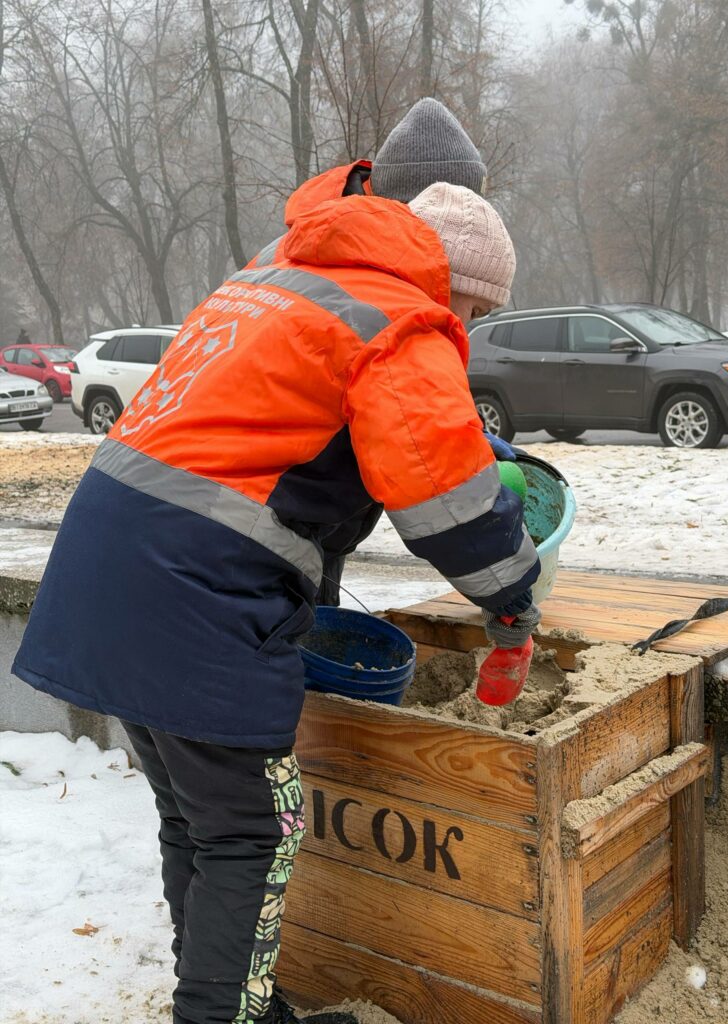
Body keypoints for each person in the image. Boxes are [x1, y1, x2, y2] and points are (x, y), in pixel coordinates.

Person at [13, 182, 539, 1024]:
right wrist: (513, 598)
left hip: (105, 572)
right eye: (476, 308)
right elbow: (452, 502)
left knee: (199, 822)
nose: (469, 330)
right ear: (449, 278)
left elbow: (286, 437)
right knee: (258, 829)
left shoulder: (280, 277)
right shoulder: (405, 317)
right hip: (194, 595)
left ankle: (228, 999)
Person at [249, 97, 490, 606]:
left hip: (289, 511)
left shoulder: (320, 243)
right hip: (266, 515)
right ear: (430, 210)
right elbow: (424, 465)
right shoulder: (371, 275)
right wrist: (509, 594)